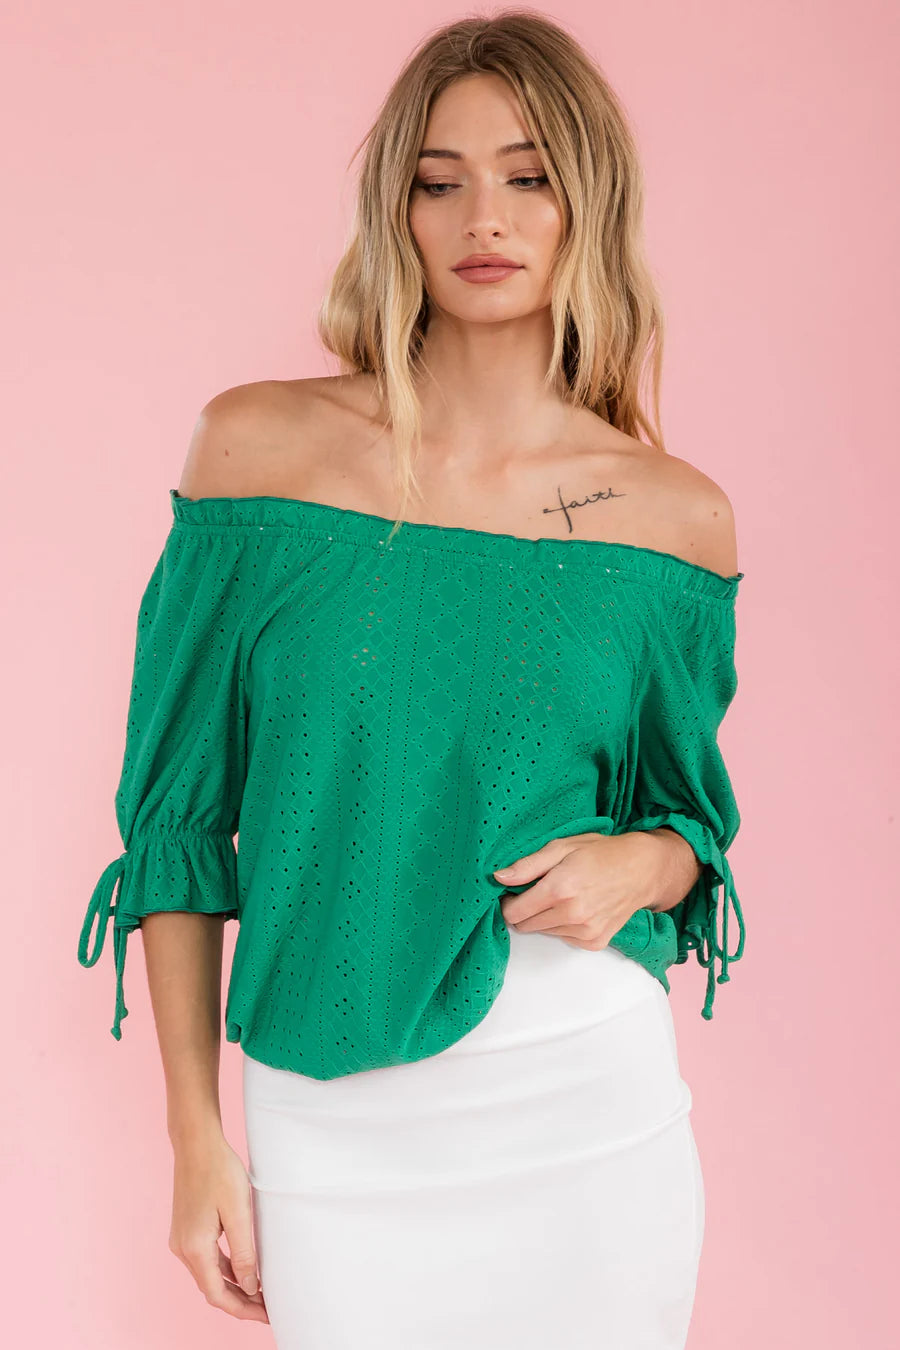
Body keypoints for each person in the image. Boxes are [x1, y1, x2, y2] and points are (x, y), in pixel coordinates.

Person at [77, 12, 747, 1349]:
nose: (482, 217)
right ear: (397, 211)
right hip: (331, 1105)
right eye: (439, 182)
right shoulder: (257, 452)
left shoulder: (672, 518)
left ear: (591, 203)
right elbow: (177, 820)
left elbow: (689, 822)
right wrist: (197, 1138)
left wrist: (645, 861)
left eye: (529, 175)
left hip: (583, 1093)